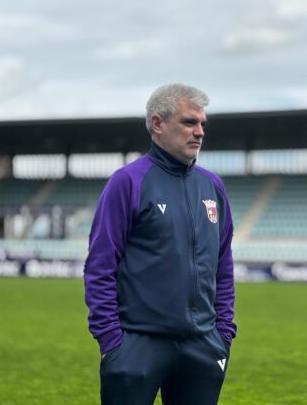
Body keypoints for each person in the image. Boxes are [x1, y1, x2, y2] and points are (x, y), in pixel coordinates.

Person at [84, 84, 236, 405]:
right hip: (136, 346)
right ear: (157, 124)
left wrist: (222, 334)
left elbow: (222, 265)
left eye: (202, 124)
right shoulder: (127, 182)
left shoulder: (213, 186)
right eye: (189, 122)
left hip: (203, 346)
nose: (199, 132)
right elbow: (100, 267)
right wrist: (112, 341)